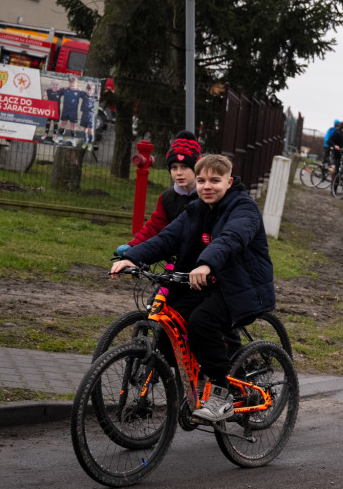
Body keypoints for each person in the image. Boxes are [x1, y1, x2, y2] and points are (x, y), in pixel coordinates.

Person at [110, 154, 275, 424]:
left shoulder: (243, 207)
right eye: (201, 181)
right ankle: (198, 382)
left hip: (241, 285)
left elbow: (231, 238)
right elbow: (166, 238)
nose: (207, 186)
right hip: (206, 282)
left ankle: (223, 395)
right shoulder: (197, 210)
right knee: (168, 325)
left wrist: (207, 264)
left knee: (201, 323)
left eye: (215, 180)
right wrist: (133, 258)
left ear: (229, 182)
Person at [115, 131, 201, 255]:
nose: (179, 172)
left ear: (196, 168)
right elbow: (155, 226)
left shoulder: (207, 195)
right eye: (174, 167)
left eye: (184, 167)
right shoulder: (168, 197)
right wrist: (134, 246)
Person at [56, 76, 85, 146]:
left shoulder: (79, 91)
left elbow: (87, 95)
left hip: (73, 112)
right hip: (65, 110)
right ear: (69, 83)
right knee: (63, 123)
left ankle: (73, 139)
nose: (72, 84)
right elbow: (57, 89)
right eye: (71, 83)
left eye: (74, 83)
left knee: (72, 125)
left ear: (76, 84)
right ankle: (60, 136)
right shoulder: (65, 90)